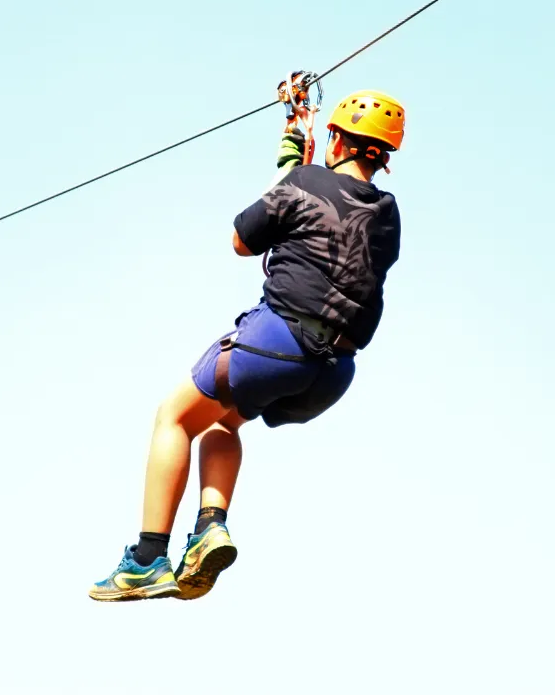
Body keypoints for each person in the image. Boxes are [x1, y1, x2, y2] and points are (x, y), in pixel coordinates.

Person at [88, 89, 406, 602]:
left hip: (276, 343)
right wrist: (296, 151)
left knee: (173, 416)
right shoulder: (389, 214)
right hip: (332, 374)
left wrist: (291, 151)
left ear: (338, 139)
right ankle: (211, 526)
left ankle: (147, 558)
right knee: (222, 420)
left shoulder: (303, 180)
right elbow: (328, 209)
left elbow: (243, 238)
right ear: (382, 156)